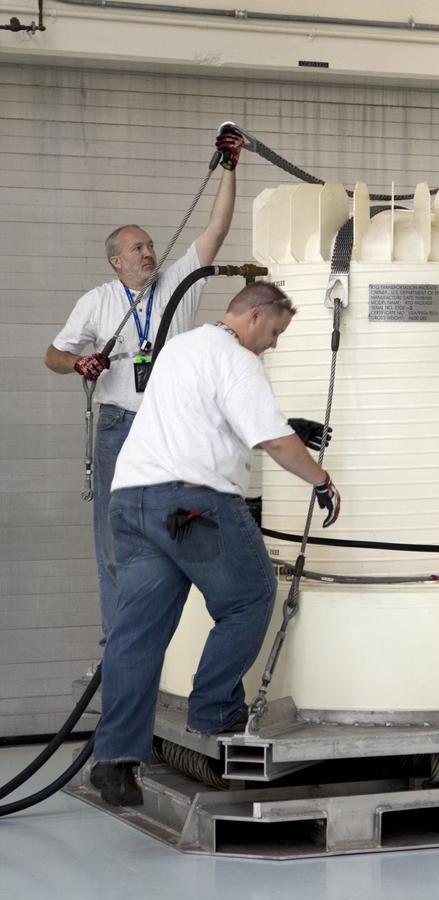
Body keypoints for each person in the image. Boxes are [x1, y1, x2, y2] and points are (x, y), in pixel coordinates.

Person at [89, 281, 342, 807]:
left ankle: (115, 763)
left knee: (136, 633)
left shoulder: (181, 347)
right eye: (274, 331)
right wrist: (321, 480)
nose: (272, 343)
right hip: (188, 506)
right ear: (254, 315)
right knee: (249, 596)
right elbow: (272, 443)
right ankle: (215, 709)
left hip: (133, 503)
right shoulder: (237, 359)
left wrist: (283, 424)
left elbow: (201, 417)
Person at [44, 125, 244, 640]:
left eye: (151, 245)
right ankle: (120, 641)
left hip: (175, 428)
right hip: (117, 426)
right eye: (137, 248)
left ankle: (179, 641)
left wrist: (229, 169)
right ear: (117, 261)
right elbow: (54, 355)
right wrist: (80, 364)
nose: (149, 252)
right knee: (116, 539)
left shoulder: (177, 283)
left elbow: (216, 231)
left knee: (189, 526)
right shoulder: (97, 302)